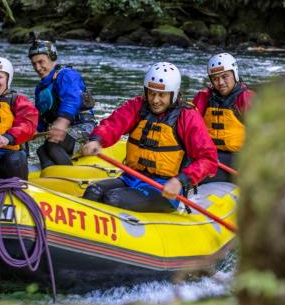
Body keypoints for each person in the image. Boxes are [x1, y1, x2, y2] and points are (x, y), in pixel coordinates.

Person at [79, 62, 218, 212]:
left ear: (174, 94)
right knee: (93, 192)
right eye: (151, 93)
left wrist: (181, 180)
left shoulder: (187, 116)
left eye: (161, 95)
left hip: (163, 188)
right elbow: (114, 124)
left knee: (113, 199)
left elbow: (208, 159)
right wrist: (97, 139)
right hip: (130, 179)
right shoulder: (137, 106)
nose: (155, 100)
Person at [28, 36, 96, 168]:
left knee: (52, 145)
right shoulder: (40, 88)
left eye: (41, 62)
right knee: (41, 150)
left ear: (52, 57)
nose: (37, 67)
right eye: (34, 64)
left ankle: (71, 178)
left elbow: (72, 98)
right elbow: (42, 115)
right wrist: (34, 130)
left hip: (84, 128)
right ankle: (51, 179)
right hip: (64, 132)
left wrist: (62, 122)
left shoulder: (67, 75)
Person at [191, 52, 255, 182]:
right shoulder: (203, 97)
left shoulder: (246, 98)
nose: (220, 82)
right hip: (209, 159)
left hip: (239, 161)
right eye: (215, 78)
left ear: (235, 74)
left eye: (225, 76)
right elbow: (189, 128)